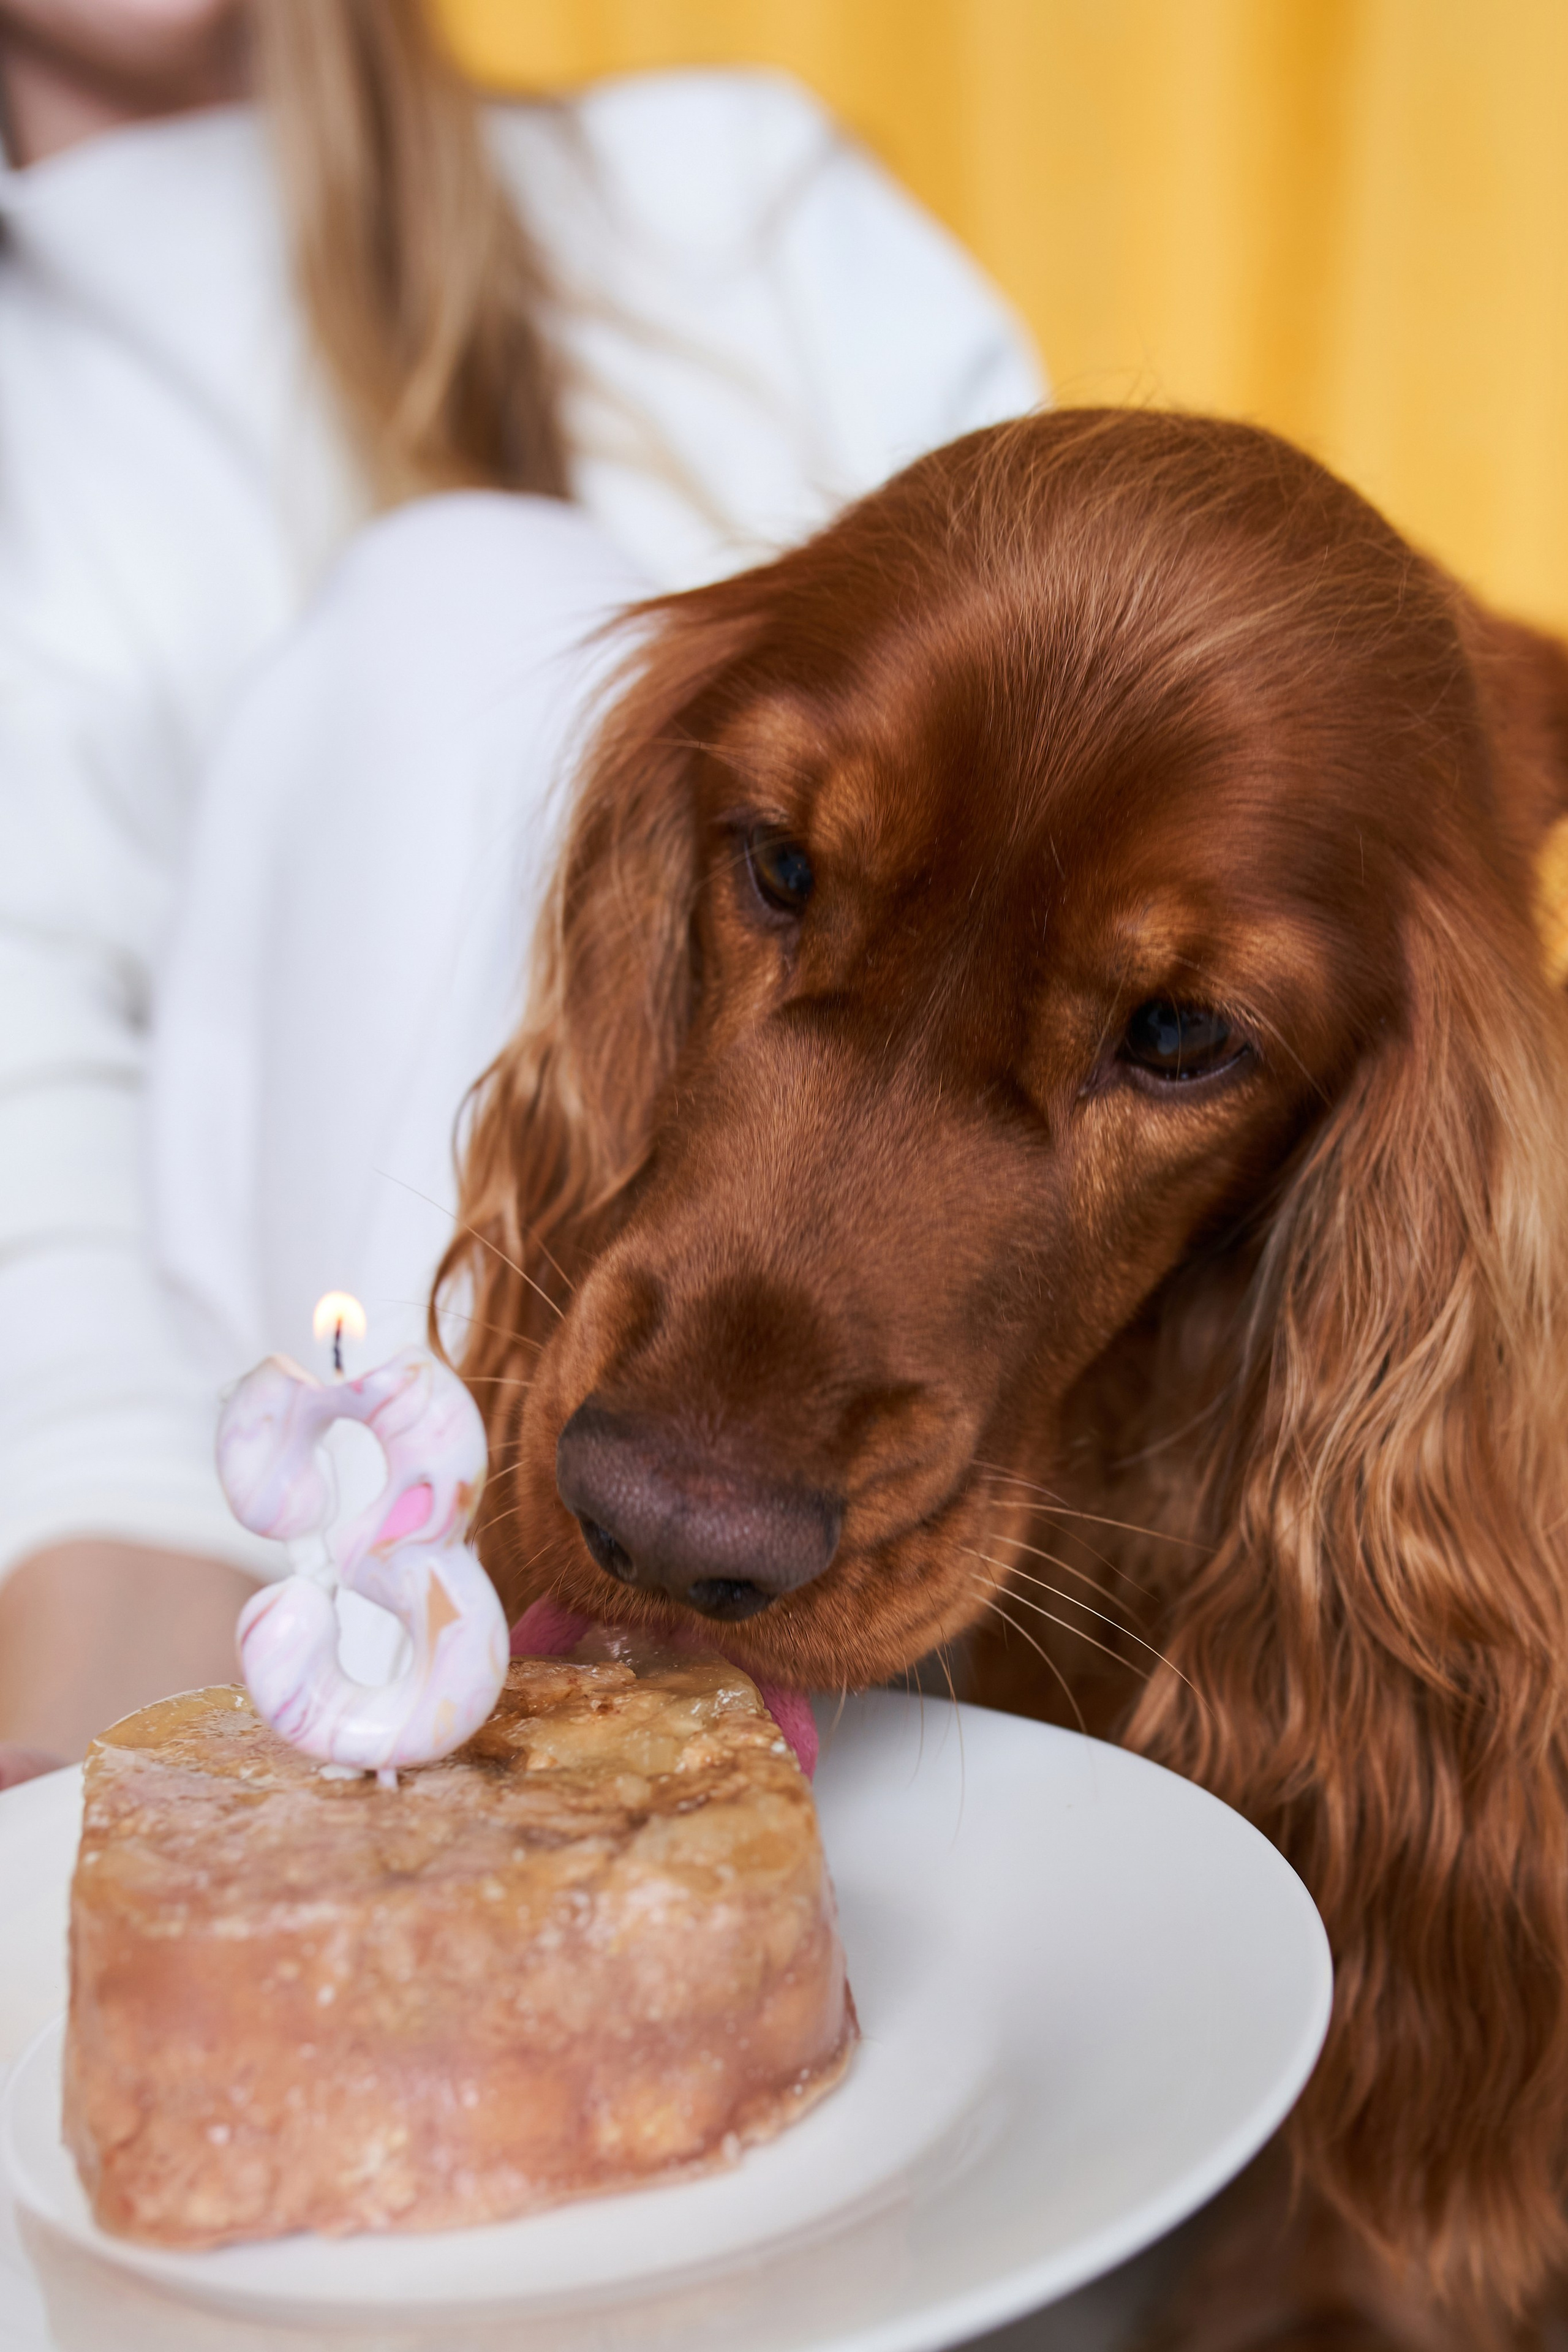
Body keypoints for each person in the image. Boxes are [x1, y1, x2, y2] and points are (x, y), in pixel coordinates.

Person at [0, 0, 1042, 1777]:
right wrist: (107, 1600)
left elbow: (1069, 856)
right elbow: (31, 1076)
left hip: (913, 1484)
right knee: (468, 608)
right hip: (298, 1536)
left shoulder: (744, 201)